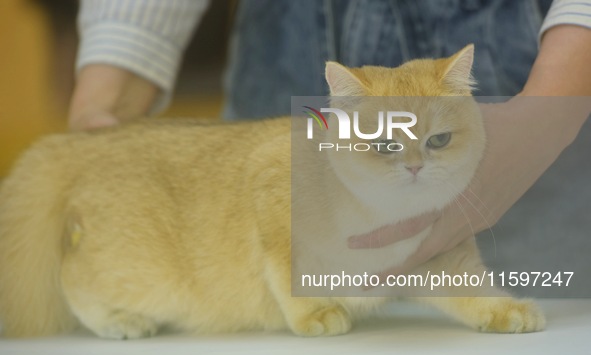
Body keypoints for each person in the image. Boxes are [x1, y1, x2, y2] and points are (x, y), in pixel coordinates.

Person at [68, 0, 591, 273]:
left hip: (530, 104)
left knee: (517, 345)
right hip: (280, 71)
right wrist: (103, 105)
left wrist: (550, 110)